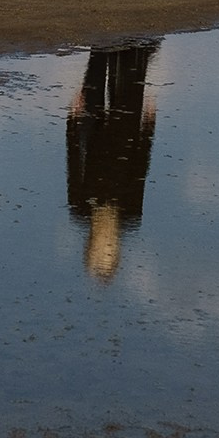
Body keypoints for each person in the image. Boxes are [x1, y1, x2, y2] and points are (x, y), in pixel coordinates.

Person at [67, 41, 159, 282]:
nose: (106, 243)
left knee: (96, 71)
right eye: (108, 252)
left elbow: (74, 166)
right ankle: (133, 44)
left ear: (89, 247)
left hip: (91, 136)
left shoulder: (80, 209)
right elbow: (140, 170)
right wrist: (148, 127)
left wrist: (71, 122)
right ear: (117, 251)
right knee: (129, 78)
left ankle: (103, 39)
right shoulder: (131, 214)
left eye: (101, 252)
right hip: (125, 138)